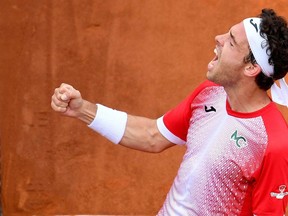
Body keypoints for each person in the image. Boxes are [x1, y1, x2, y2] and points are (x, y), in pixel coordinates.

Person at [51, 8, 288, 215]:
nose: (218, 38)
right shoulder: (210, 93)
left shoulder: (273, 142)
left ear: (251, 67)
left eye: (231, 41)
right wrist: (83, 110)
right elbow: (152, 135)